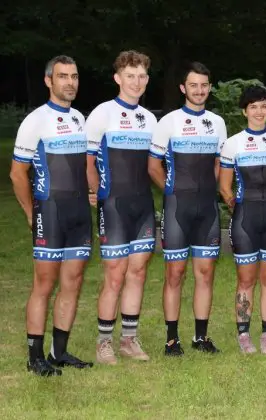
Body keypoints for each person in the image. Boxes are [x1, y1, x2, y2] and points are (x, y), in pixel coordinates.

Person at [11, 55, 93, 376]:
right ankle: (34, 358)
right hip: (50, 211)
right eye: (63, 77)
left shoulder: (80, 120)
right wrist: (33, 213)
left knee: (72, 281)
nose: (69, 82)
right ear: (49, 81)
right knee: (44, 284)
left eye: (74, 76)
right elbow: (18, 174)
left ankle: (58, 352)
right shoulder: (36, 121)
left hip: (78, 214)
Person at [148, 62, 227, 356]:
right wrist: (170, 188)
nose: (199, 90)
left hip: (207, 208)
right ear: (183, 88)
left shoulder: (217, 123)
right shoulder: (168, 121)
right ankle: (171, 339)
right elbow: (153, 165)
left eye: (204, 85)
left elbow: (220, 162)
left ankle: (201, 337)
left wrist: (211, 187)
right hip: (177, 208)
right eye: (193, 85)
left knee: (205, 273)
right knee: (175, 273)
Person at [86, 50, 158, 364]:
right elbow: (86, 161)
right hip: (113, 204)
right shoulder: (102, 113)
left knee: (138, 272)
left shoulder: (150, 118)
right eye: (131, 75)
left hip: (142, 204)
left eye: (142, 76)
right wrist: (95, 190)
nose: (137, 81)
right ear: (118, 78)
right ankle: (104, 343)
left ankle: (129, 339)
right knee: (115, 274)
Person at [219, 85, 266, 354]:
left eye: (263, 106)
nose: (259, 111)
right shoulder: (233, 143)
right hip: (245, 218)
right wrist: (238, 206)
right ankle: (244, 334)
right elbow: (225, 187)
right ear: (244, 111)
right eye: (253, 107)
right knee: (246, 280)